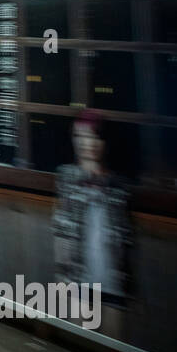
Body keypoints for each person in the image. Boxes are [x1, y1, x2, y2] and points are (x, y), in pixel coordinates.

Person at [52, 111, 133, 338]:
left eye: (94, 137)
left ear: (104, 142)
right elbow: (60, 231)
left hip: (113, 283)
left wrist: (130, 285)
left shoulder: (119, 186)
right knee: (80, 350)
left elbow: (126, 238)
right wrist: (61, 280)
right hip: (79, 280)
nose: (87, 143)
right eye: (81, 136)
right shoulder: (67, 178)